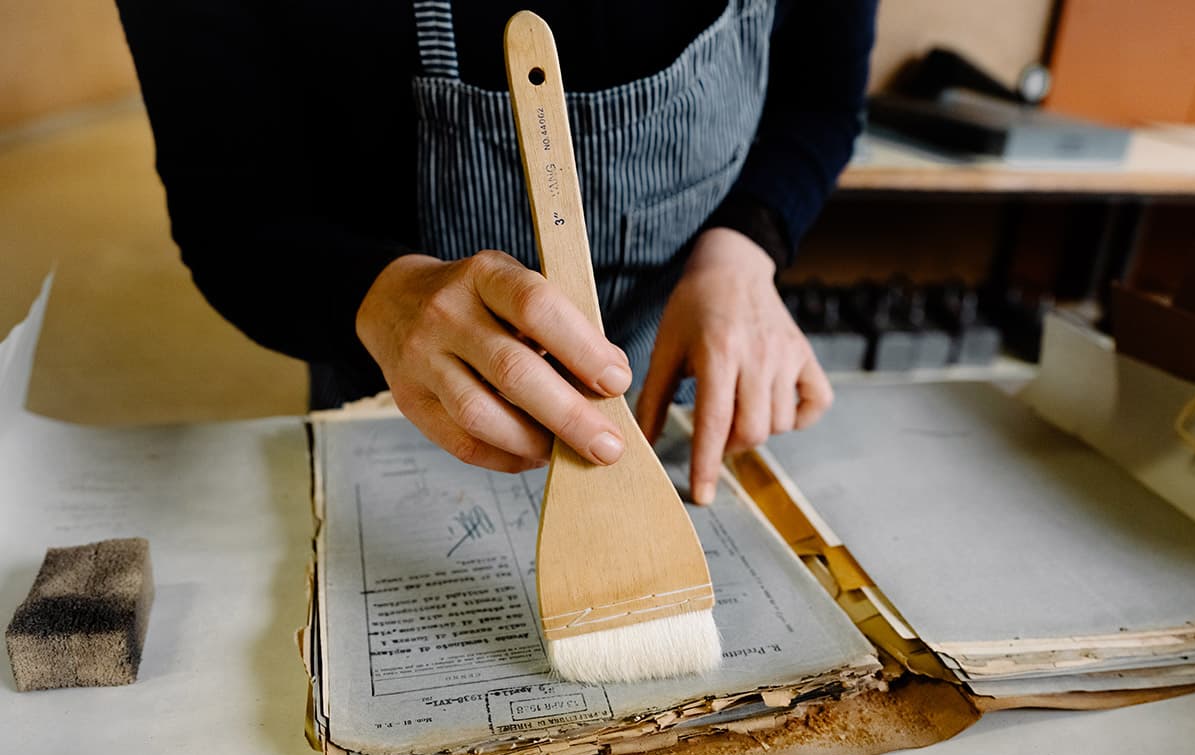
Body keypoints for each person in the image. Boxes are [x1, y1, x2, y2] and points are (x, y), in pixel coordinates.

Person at [116, 0, 876, 503]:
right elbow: (232, 212)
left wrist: (746, 245)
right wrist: (381, 296)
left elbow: (820, 100)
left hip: (683, 389)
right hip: (404, 399)